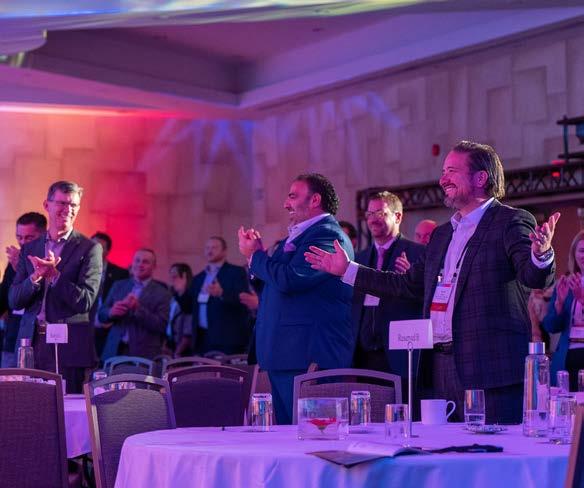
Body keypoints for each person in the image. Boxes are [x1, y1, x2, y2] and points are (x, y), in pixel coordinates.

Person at [306, 141, 559, 424]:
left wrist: (541, 254)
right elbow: (405, 285)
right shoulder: (442, 235)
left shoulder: (510, 221)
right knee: (445, 449)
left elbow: (533, 276)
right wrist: (348, 270)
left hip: (489, 369)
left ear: (480, 178)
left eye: (452, 171)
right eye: (443, 172)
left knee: (492, 450)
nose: (443, 179)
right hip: (440, 366)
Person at [238, 173, 354, 424]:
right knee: (286, 437)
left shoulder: (327, 235)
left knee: (311, 436)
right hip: (285, 354)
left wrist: (256, 256)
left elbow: (291, 279)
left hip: (307, 356)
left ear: (315, 200)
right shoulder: (298, 236)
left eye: (292, 196)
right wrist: (255, 260)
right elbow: (274, 285)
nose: (285, 204)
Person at [9, 181, 103, 392]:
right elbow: (14, 300)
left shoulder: (90, 249)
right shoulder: (30, 248)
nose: (68, 210)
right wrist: (35, 277)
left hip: (68, 346)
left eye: (73, 205)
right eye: (62, 203)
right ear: (47, 205)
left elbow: (86, 301)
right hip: (30, 343)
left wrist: (54, 276)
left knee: (65, 406)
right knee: (26, 405)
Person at [352, 191, 424, 388]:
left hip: (399, 356)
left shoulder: (418, 254)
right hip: (363, 357)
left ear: (397, 216)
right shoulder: (359, 259)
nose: (372, 219)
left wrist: (412, 277)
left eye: (380, 213)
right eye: (369, 214)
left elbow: (428, 298)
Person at [99, 248, 170, 360]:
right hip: (114, 350)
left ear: (154, 266)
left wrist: (138, 309)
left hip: (144, 354)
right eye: (137, 260)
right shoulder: (119, 285)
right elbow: (101, 314)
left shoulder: (162, 292)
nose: (140, 264)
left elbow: (162, 325)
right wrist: (111, 312)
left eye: (145, 262)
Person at [190, 236, 251, 355]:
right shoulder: (198, 278)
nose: (210, 251)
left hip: (227, 338)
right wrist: (180, 291)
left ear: (224, 251)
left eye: (214, 247)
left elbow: (243, 300)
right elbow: (190, 306)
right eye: (207, 248)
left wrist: (222, 293)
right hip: (202, 337)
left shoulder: (236, 272)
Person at [0, 212, 47, 367]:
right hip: (13, 337)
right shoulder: (16, 260)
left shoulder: (48, 261)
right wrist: (16, 271)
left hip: (40, 339)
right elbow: (4, 299)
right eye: (19, 237)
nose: (22, 243)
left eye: (28, 238)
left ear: (43, 235)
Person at [543, 230, 584, 391]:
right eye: (582, 251)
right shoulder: (566, 283)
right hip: (567, 357)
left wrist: (582, 299)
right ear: (574, 254)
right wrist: (559, 303)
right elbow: (551, 327)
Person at [91, 231, 130, 358]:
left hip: (109, 328)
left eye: (100, 248)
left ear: (107, 251)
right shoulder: (79, 270)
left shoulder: (120, 274)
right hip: (85, 326)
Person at [164, 263, 193, 358]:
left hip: (183, 349)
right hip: (171, 343)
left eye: (175, 276)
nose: (172, 279)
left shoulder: (190, 299)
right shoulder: (173, 298)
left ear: (184, 276)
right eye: (170, 276)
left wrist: (179, 350)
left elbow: (188, 329)